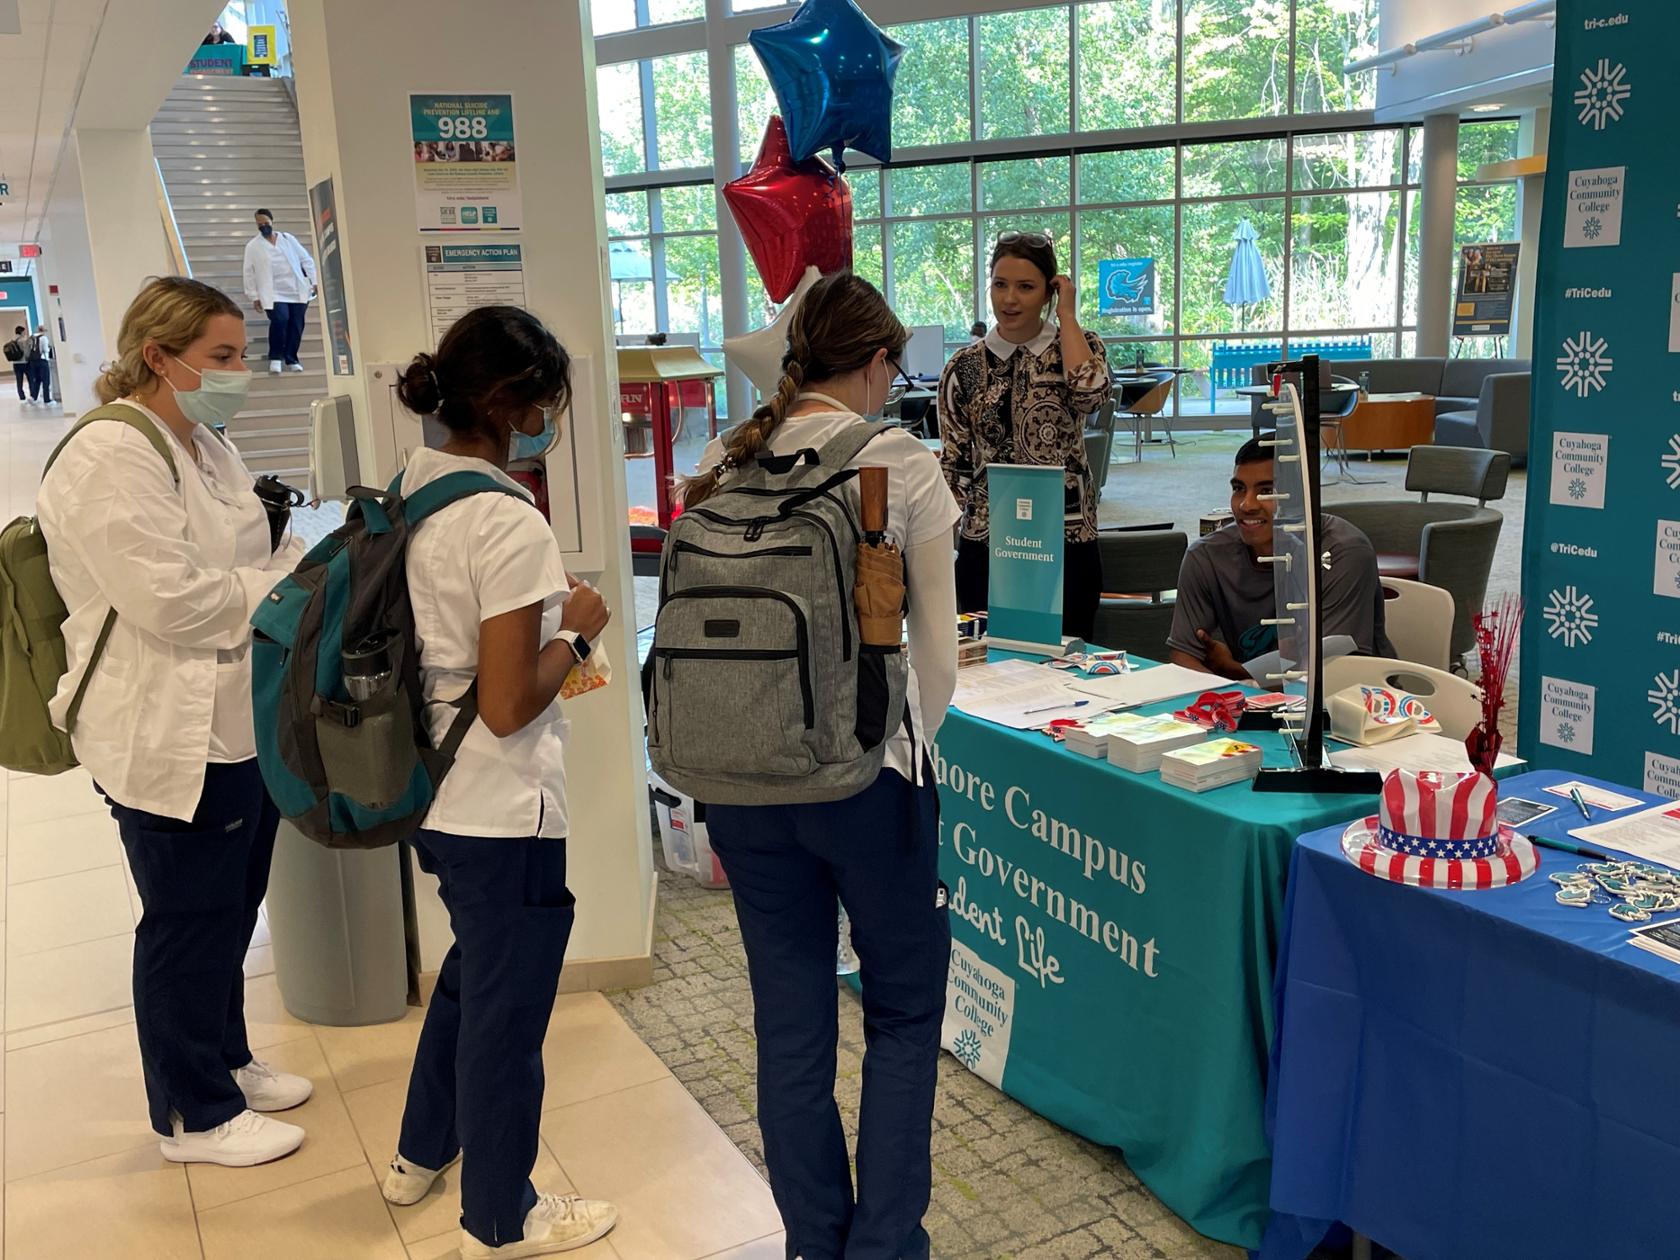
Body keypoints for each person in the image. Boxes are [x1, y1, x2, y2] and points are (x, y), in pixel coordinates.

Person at [686, 272, 957, 1260]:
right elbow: (935, 660)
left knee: (789, 1020)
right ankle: (883, 1247)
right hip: (868, 780)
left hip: (740, 778)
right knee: (901, 1008)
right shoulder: (896, 459)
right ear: (878, 361)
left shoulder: (726, 452)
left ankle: (815, 1240)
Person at [35, 276, 312, 1167]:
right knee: (185, 919)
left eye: (239, 353)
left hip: (238, 720)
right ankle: (194, 1113)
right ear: (158, 356)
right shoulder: (109, 458)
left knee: (233, 905)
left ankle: (225, 1059)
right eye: (221, 357)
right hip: (165, 729)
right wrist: (288, 590)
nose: (239, 373)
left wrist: (287, 576)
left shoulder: (203, 443)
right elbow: (173, 603)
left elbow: (267, 550)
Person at [382, 306, 619, 1258]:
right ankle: (502, 1216)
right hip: (500, 801)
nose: (550, 425)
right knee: (508, 1016)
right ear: (506, 403)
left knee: (473, 973)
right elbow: (514, 699)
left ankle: (418, 1152)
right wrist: (581, 629)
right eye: (546, 405)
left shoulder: (413, 488)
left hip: (424, 785)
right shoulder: (507, 520)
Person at [939, 231, 1112, 640]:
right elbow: (955, 463)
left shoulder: (1078, 346)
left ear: (1049, 291)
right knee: (989, 664)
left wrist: (1067, 317)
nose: (1009, 299)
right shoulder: (965, 366)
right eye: (1000, 285)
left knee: (1070, 660)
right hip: (987, 538)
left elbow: (1092, 395)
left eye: (1026, 287)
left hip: (1067, 536)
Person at [1168, 433, 1395, 680]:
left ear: (1300, 496)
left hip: (1355, 701)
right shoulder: (1206, 556)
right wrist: (1236, 698)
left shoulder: (1343, 553)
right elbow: (1183, 657)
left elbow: (1330, 673)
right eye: (1238, 488)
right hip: (1255, 704)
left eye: (1266, 491)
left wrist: (1237, 672)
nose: (1246, 504)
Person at [242, 209, 317, 375]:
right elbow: (248, 271)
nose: (263, 226)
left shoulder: (288, 239)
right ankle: (276, 357)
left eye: (265, 223)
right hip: (273, 293)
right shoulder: (253, 246)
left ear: (272, 221)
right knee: (281, 320)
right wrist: (254, 296)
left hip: (296, 290)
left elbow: (306, 259)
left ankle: (292, 359)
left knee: (296, 324)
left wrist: (314, 281)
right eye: (259, 224)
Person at [27, 324, 53, 403]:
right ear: (43, 331)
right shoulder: (43, 338)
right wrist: (49, 348)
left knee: (36, 379)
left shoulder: (31, 338)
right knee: (45, 380)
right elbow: (45, 350)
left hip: (33, 361)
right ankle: (47, 399)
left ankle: (34, 397)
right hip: (42, 360)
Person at [8, 324, 29, 400]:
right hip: (24, 362)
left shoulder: (13, 341)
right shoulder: (23, 340)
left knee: (19, 381)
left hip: (16, 364)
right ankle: (33, 394)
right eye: (24, 331)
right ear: (21, 332)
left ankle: (21, 396)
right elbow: (26, 352)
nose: (25, 333)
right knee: (30, 379)